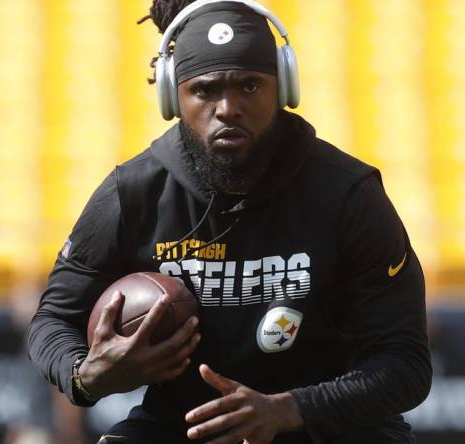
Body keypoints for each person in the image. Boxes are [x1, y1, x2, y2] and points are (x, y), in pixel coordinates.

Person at [27, 0, 431, 443]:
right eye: (205, 89)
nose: (228, 108)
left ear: (283, 88)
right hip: (186, 424)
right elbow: (53, 320)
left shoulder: (348, 194)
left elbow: (405, 365)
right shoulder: (131, 193)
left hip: (326, 423)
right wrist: (87, 375)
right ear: (171, 95)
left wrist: (288, 409)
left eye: (250, 87)